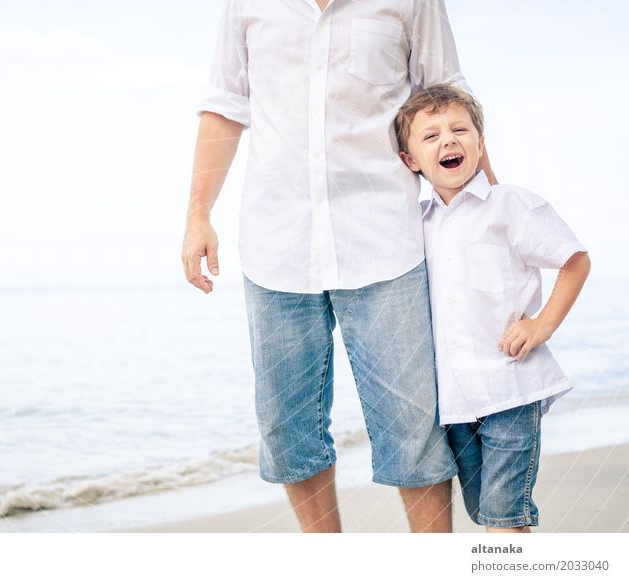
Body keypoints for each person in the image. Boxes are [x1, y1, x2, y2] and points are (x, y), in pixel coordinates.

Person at [181, 0, 495, 533]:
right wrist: (197, 214)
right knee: (287, 430)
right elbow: (226, 104)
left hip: (385, 240)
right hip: (277, 244)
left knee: (411, 428)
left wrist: (489, 216)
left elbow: (450, 98)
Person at [395, 84, 591, 532]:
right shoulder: (417, 224)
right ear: (410, 161)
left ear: (480, 144)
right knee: (485, 514)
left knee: (504, 521)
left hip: (509, 390)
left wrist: (541, 325)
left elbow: (575, 260)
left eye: (460, 129)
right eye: (431, 136)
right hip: (455, 404)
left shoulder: (510, 205)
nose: (448, 140)